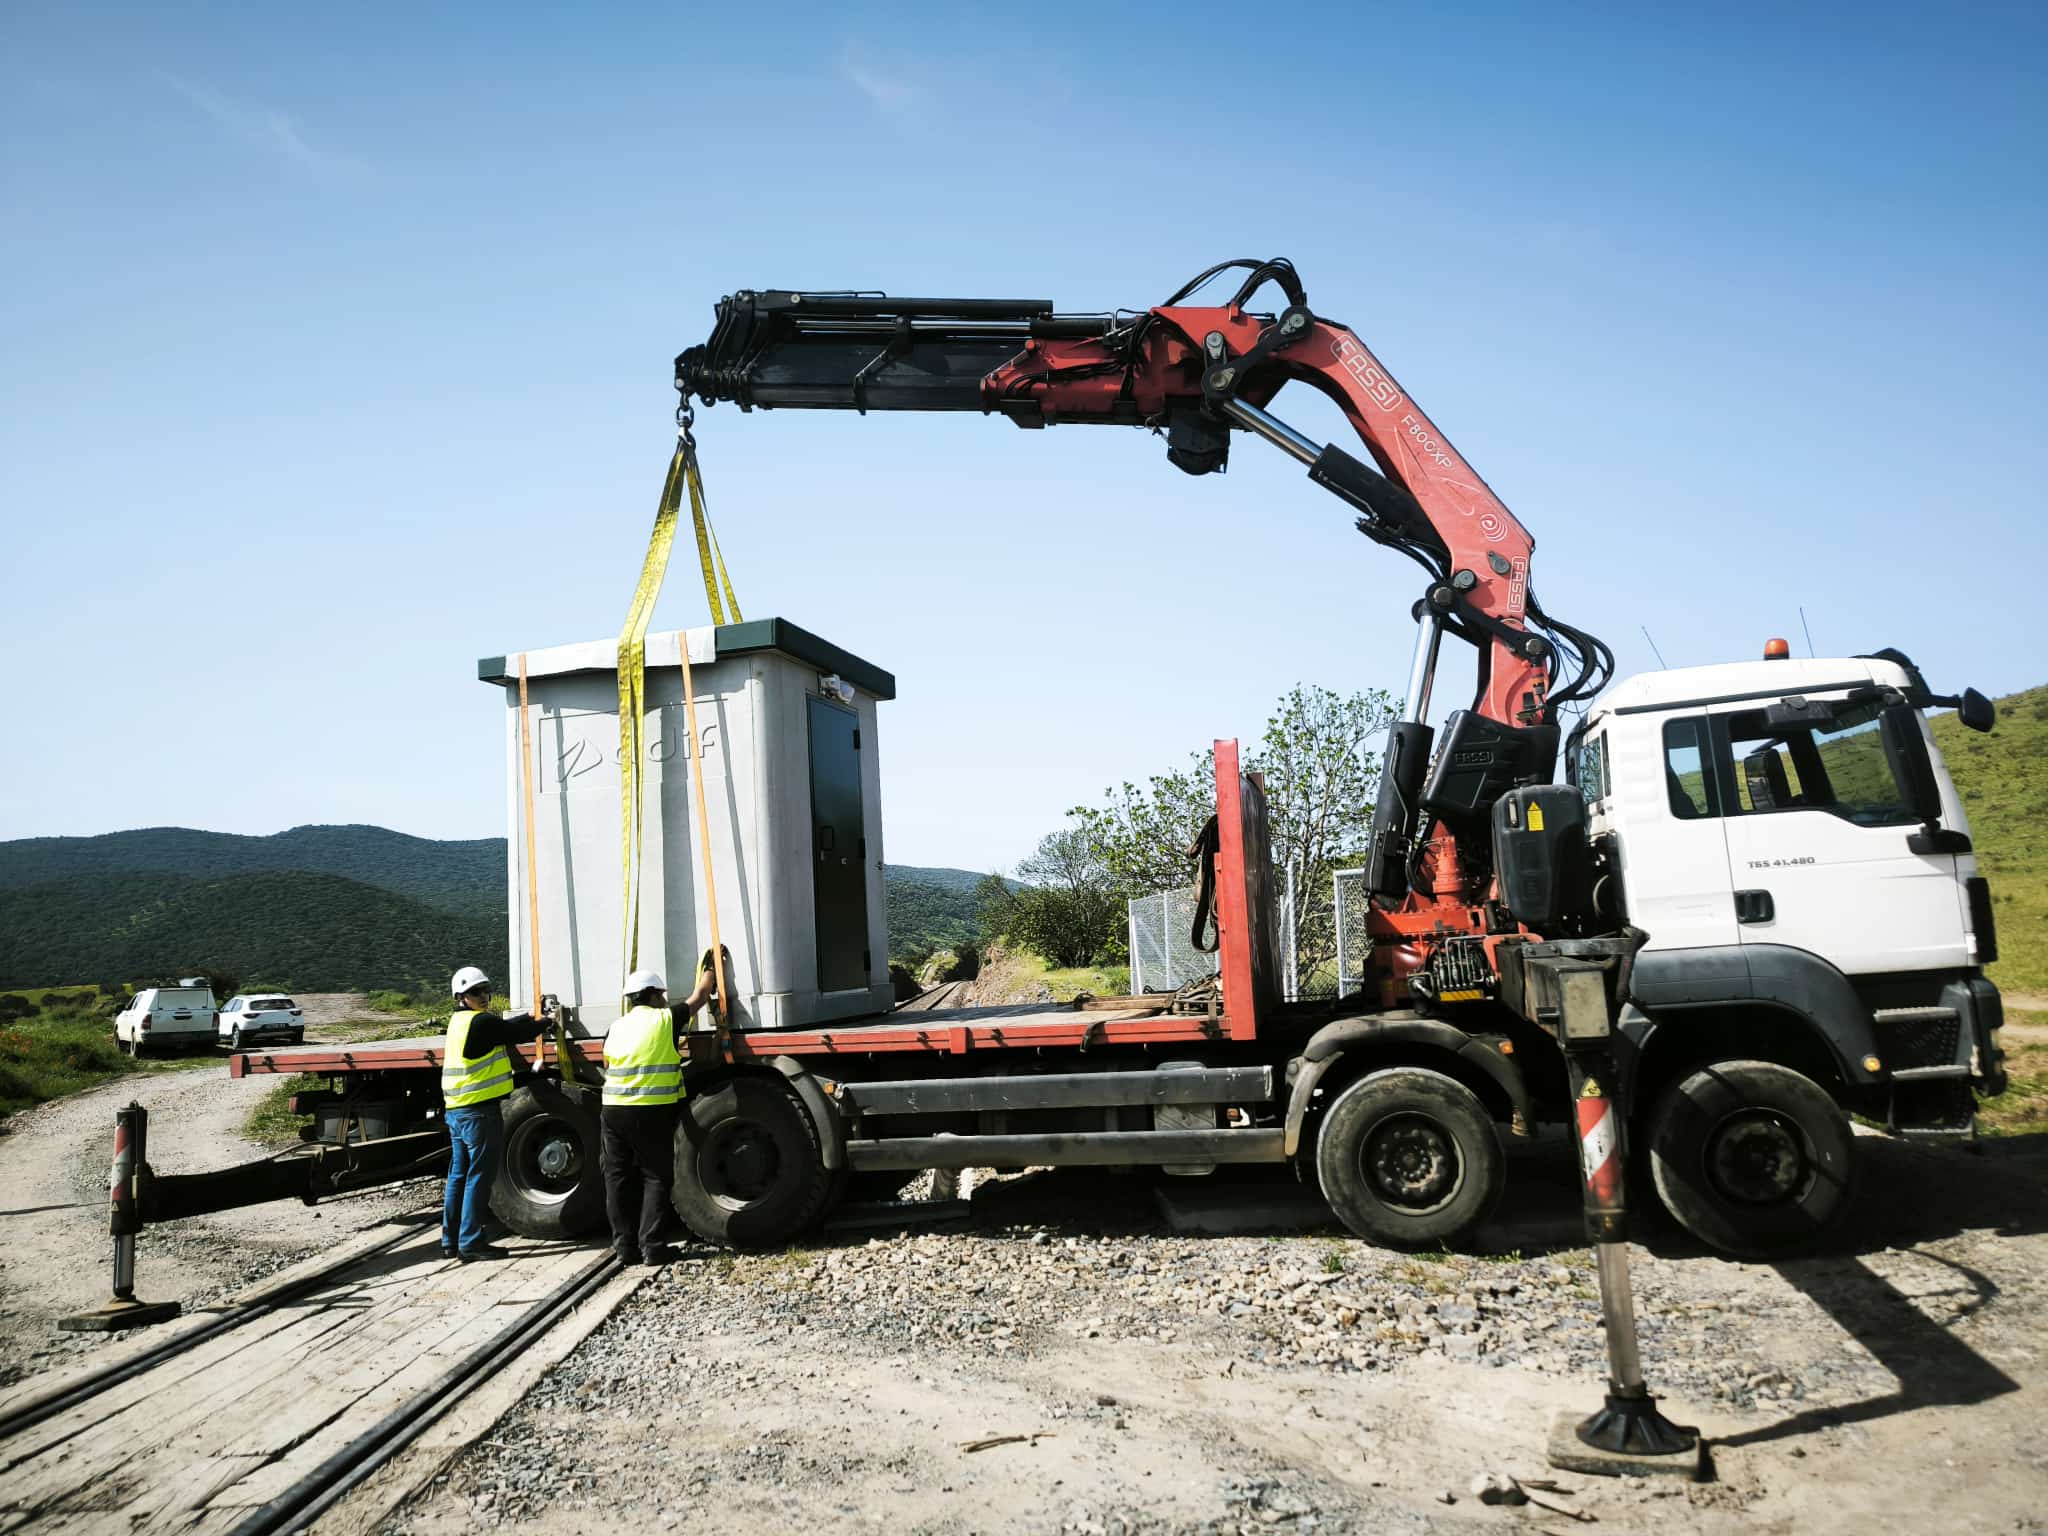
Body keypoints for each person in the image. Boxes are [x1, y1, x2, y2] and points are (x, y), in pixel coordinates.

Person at [602, 964, 715, 1266]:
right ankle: (652, 1246)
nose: (665, 999)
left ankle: (624, 1248)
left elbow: (607, 1062)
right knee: (655, 1176)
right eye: (662, 994)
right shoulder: (666, 1019)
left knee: (617, 1177)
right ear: (652, 995)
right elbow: (700, 996)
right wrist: (711, 967)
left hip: (613, 1110)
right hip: (650, 1109)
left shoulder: (616, 1026)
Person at [440, 966, 551, 1261]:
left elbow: (503, 1028)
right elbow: (514, 1033)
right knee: (479, 1176)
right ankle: (470, 1243)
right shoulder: (481, 1022)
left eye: (486, 990)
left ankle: (450, 1239)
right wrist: (546, 1022)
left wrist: (529, 1016)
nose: (483, 996)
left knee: (459, 1175)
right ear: (461, 996)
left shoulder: (460, 1022)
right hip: (478, 1113)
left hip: (458, 1111)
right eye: (476, 992)